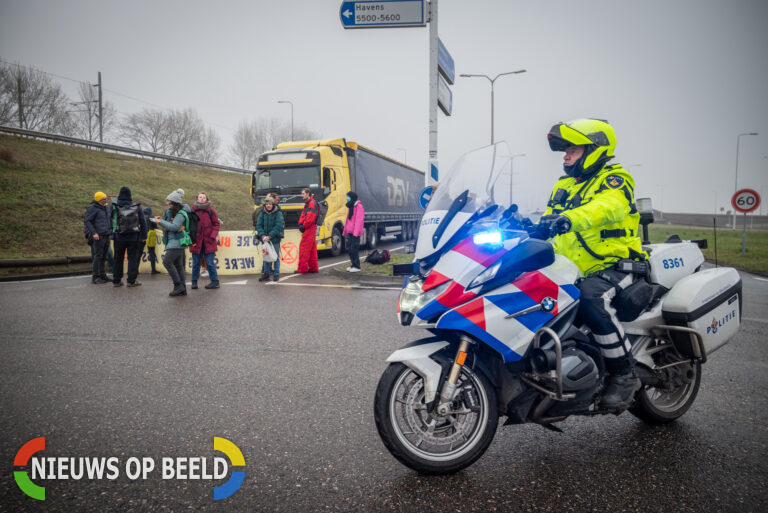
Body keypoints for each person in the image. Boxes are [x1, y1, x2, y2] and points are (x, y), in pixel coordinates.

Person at [542, 118, 646, 410]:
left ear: (595, 150)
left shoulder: (615, 179)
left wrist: (569, 218)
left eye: (573, 149)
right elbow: (550, 220)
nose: (565, 156)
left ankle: (625, 373)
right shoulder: (564, 185)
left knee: (591, 299)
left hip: (616, 265)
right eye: (565, 150)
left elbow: (607, 207)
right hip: (570, 269)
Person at [156, 188, 192, 297]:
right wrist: (162, 221)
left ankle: (178, 286)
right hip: (175, 242)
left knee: (167, 262)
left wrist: (160, 222)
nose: (168, 203)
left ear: (174, 203)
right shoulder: (173, 212)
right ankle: (183, 289)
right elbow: (171, 226)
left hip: (176, 242)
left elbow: (174, 227)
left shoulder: (180, 214)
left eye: (169, 202)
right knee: (178, 266)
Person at [111, 186, 148, 288]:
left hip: (119, 237)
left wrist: (112, 234)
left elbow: (110, 220)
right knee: (133, 259)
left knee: (118, 259)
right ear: (130, 196)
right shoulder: (136, 207)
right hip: (133, 237)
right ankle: (131, 281)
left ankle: (117, 280)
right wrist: (144, 235)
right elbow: (143, 222)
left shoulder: (114, 206)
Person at [190, 191, 221, 290]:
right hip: (196, 242)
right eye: (200, 197)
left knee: (210, 263)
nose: (202, 199)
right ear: (197, 199)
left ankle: (215, 281)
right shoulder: (192, 211)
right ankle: (194, 282)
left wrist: (213, 236)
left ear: (206, 199)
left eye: (204, 197)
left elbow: (216, 224)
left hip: (209, 242)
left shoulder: (211, 211)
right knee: (196, 263)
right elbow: (189, 225)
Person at [84, 191, 112, 284]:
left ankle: (103, 275)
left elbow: (109, 219)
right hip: (98, 235)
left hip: (106, 234)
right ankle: (95, 277)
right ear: (100, 199)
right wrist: (94, 233)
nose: (106, 199)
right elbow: (88, 221)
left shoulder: (106, 208)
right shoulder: (93, 208)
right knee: (98, 256)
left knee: (104, 256)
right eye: (104, 198)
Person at [256, 195, 285, 281]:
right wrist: (262, 235)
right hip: (265, 240)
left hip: (275, 239)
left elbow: (278, 226)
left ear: (273, 204)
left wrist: (270, 236)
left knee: (275, 257)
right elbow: (259, 225)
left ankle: (276, 274)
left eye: (270, 204)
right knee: (266, 257)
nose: (268, 205)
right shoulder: (262, 213)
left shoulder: (278, 213)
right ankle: (266, 274)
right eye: (266, 204)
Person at [297, 188, 319, 274]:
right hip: (311, 228)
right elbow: (305, 216)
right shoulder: (310, 203)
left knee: (304, 249)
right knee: (312, 250)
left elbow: (310, 217)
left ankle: (302, 269)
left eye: (303, 194)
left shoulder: (311, 203)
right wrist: (301, 223)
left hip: (309, 228)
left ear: (308, 194)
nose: (302, 195)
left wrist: (303, 225)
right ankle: (313, 268)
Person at [342, 191, 364, 272]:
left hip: (355, 234)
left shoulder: (359, 207)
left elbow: (359, 221)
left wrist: (355, 233)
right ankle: (353, 265)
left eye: (348, 197)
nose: (347, 198)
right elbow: (347, 221)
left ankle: (357, 266)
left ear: (352, 197)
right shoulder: (350, 206)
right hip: (350, 232)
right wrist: (345, 232)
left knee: (354, 249)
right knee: (350, 250)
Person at [143, 206, 160, 274]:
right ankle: (153, 269)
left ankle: (135, 270)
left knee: (138, 253)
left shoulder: (141, 215)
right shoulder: (151, 217)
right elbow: (155, 226)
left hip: (141, 236)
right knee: (152, 252)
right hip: (150, 236)